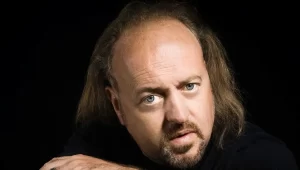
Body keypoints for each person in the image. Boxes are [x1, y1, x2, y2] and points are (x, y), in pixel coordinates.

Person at [40, 1, 298, 170]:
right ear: (118, 106)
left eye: (189, 87)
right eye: (151, 98)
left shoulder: (263, 157)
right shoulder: (95, 141)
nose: (178, 115)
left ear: (209, 81)